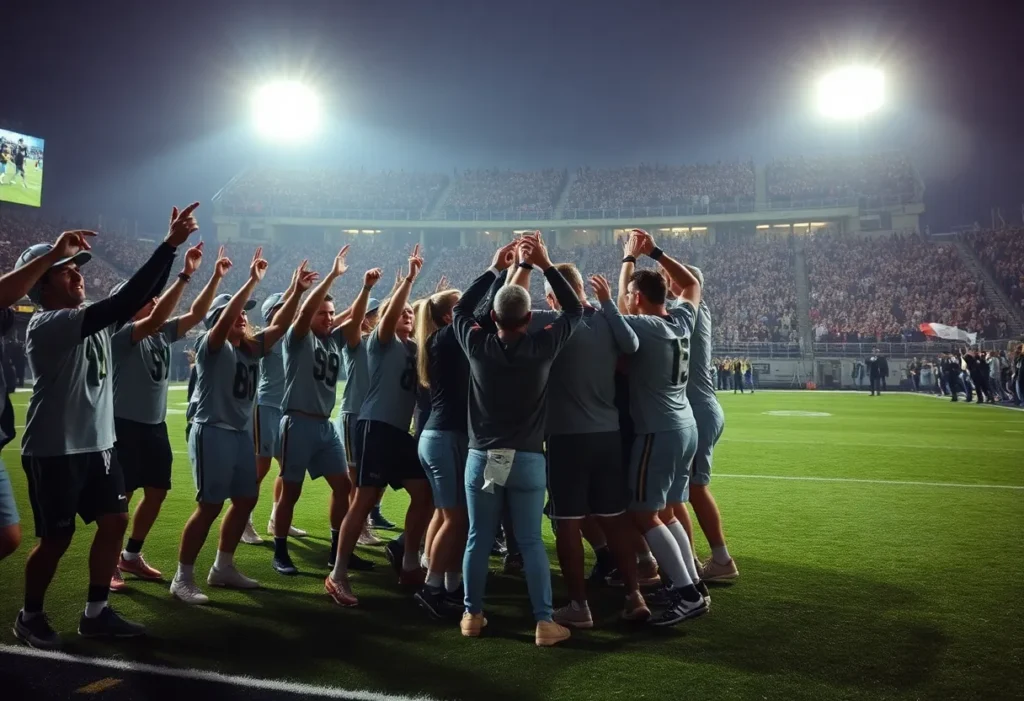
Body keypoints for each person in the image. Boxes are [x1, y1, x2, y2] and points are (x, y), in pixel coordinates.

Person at [12, 204, 200, 649]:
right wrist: (170, 245)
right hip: (56, 448)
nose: (79, 276)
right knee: (56, 540)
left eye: (78, 269)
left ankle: (96, 613)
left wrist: (174, 260)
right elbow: (128, 300)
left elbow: (140, 303)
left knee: (115, 521)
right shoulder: (49, 324)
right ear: (41, 285)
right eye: (66, 272)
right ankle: (29, 615)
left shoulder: (88, 317)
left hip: (100, 444)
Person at [506, 238, 648, 628]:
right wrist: (605, 304)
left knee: (566, 521)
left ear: (552, 298)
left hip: (566, 437)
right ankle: (634, 594)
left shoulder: (547, 322)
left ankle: (579, 607)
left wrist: (527, 263)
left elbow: (506, 304)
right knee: (615, 518)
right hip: (607, 433)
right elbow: (632, 344)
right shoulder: (606, 320)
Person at [453, 235, 582, 647]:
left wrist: (495, 267)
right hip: (527, 458)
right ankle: (544, 622)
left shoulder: (476, 344)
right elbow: (575, 308)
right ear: (530, 318)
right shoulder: (543, 346)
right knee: (529, 542)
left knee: (478, 537)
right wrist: (544, 263)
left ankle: (472, 616)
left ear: (492, 315)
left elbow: (459, 308)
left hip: (484, 457)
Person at [170, 251, 313, 605]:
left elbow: (279, 328)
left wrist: (295, 291)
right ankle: (182, 578)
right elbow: (225, 321)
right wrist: (251, 281)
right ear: (221, 319)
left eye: (246, 315)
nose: (244, 319)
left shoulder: (250, 349)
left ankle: (223, 567)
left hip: (238, 434)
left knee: (246, 498)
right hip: (212, 430)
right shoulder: (211, 345)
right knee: (209, 505)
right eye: (237, 315)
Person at [108, 242, 228, 591]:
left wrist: (215, 279)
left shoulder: (158, 333)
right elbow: (164, 316)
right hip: (124, 425)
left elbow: (195, 314)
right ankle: (111, 562)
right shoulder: (123, 333)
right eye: (148, 299)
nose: (155, 303)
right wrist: (184, 274)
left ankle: (131, 555)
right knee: (122, 499)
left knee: (157, 492)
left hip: (154, 425)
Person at [326, 244, 432, 607]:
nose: (406, 314)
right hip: (374, 426)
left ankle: (408, 562)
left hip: (399, 432)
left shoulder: (413, 347)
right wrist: (409, 281)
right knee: (365, 498)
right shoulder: (380, 341)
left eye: (409, 312)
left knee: (425, 494)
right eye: (399, 311)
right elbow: (386, 319)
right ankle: (338, 574)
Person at [616, 229, 709, 626]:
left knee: (642, 513)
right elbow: (689, 282)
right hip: (685, 425)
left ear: (639, 297)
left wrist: (628, 261)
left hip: (658, 430)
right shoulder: (682, 318)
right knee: (669, 511)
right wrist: (654, 251)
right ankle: (692, 585)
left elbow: (620, 309)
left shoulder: (645, 328)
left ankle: (687, 593)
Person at [272, 248, 370, 576]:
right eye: (322, 314)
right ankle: (280, 550)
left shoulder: (332, 339)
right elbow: (303, 314)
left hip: (325, 427)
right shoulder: (297, 338)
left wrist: (366, 289)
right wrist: (331, 276)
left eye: (331, 314)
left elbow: (354, 317)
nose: (329, 318)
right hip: (297, 421)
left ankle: (336, 550)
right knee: (292, 490)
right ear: (310, 315)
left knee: (344, 487)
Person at [671, 266, 736, 583]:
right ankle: (695, 560)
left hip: (698, 411)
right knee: (686, 490)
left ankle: (716, 561)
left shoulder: (689, 311)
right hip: (703, 407)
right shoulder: (698, 310)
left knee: (692, 490)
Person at [411, 286, 472, 619]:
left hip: (440, 435)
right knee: (455, 517)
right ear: (449, 316)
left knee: (447, 514)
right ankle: (431, 589)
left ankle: (450, 585)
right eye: (461, 306)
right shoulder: (448, 337)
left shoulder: (445, 339)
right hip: (445, 437)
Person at [246, 290, 308, 546]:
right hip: (267, 407)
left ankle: (276, 518)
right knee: (259, 469)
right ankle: (244, 521)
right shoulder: (268, 338)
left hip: (286, 409)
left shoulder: (295, 337)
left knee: (288, 467)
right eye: (282, 308)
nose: (290, 312)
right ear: (272, 314)